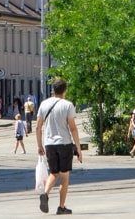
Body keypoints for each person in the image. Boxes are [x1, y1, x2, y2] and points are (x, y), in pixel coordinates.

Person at [36, 79, 83, 215]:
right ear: (65, 90)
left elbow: (38, 127)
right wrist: (78, 148)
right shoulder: (68, 105)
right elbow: (73, 128)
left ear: (53, 90)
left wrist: (39, 145)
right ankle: (61, 207)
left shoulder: (44, 104)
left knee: (53, 173)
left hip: (49, 144)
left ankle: (45, 193)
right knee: (64, 176)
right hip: (64, 144)